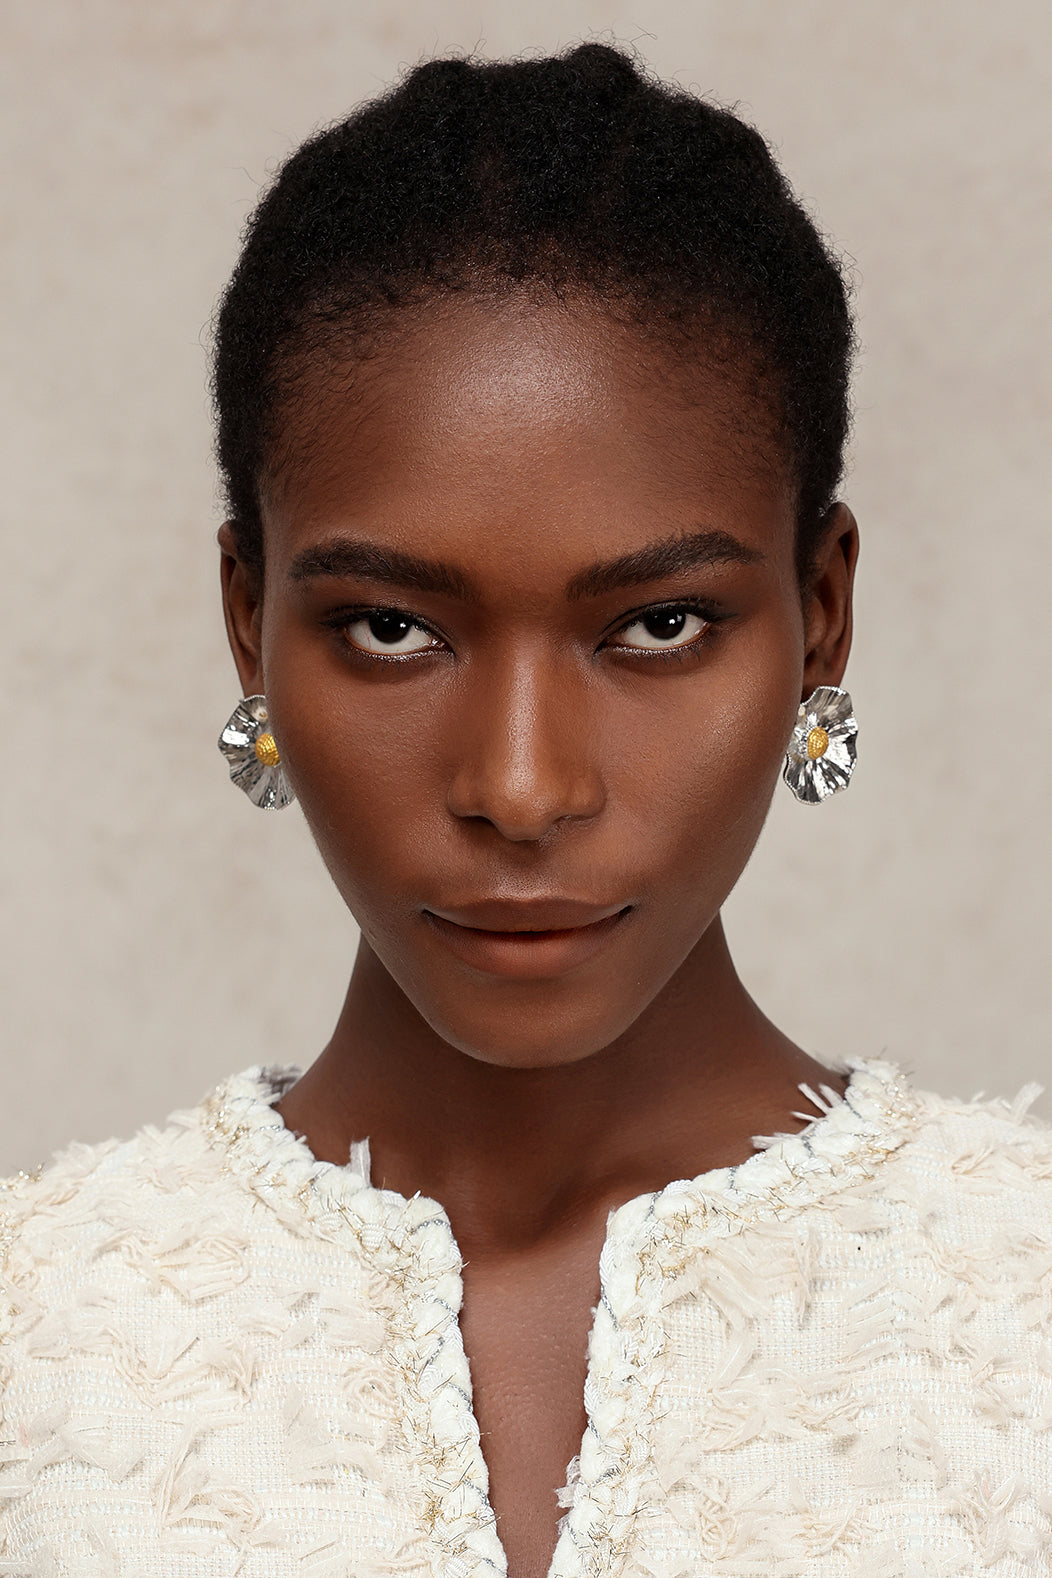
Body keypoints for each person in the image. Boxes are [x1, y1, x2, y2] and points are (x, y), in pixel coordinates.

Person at [1, 43, 1049, 1578]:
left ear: (821, 615)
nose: (519, 786)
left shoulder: (1027, 1303)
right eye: (391, 629)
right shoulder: (37, 1336)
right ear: (249, 621)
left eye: (660, 625)